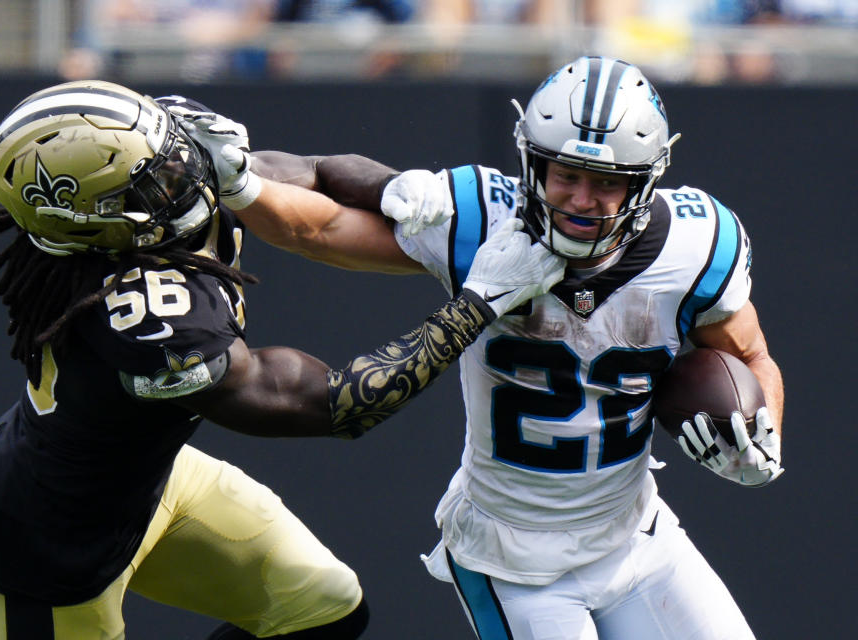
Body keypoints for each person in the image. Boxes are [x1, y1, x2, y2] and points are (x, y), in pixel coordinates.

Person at [0, 80, 564, 640]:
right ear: (96, 223)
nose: (184, 176)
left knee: (321, 609)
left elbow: (308, 171)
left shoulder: (160, 150)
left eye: (175, 159)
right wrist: (476, 305)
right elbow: (331, 402)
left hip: (150, 481)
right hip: (51, 542)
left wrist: (398, 190)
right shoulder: (137, 316)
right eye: (156, 183)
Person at [242, 55, 786, 638]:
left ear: (645, 180)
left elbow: (751, 354)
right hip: (512, 561)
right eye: (565, 175)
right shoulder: (483, 218)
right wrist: (238, 185)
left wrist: (765, 437)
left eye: (606, 182)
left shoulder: (697, 245)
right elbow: (319, 229)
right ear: (531, 164)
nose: (581, 199)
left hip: (637, 539)